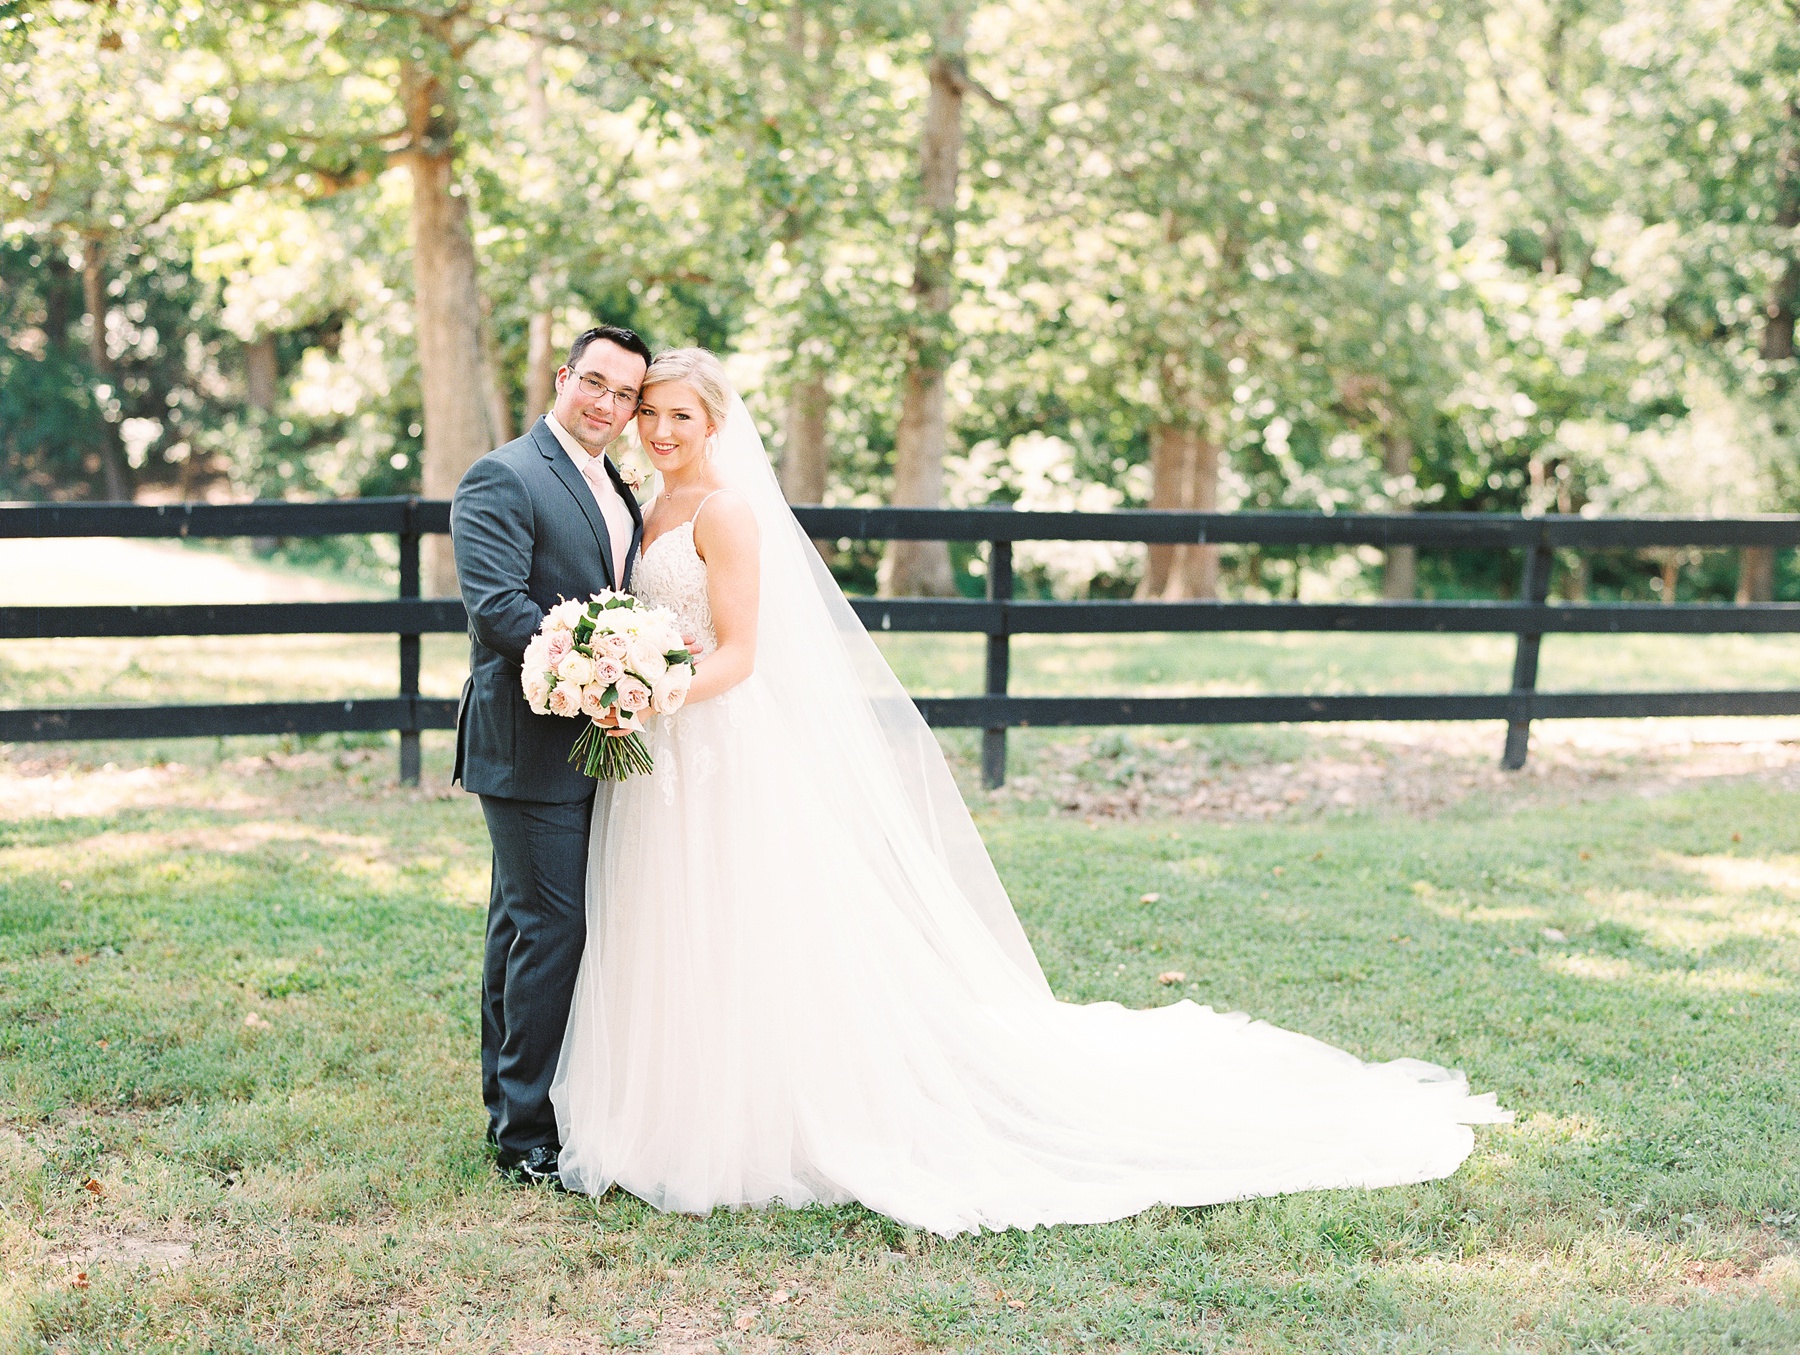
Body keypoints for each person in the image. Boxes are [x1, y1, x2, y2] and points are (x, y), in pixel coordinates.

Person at [550, 348, 1510, 1235]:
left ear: (715, 422)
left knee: (740, 928)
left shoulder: (724, 511)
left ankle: (755, 1119)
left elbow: (744, 654)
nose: (660, 429)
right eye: (649, 412)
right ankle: (670, 1107)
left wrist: (657, 688)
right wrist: (621, 677)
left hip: (713, 743)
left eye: (679, 413)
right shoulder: (645, 504)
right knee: (672, 922)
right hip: (654, 749)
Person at [451, 324, 651, 1186]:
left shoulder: (615, 481)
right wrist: (608, 663)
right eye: (595, 384)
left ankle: (520, 1102)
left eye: (626, 396)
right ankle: (525, 1134)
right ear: (563, 377)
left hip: (591, 734)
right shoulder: (504, 475)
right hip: (528, 740)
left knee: (523, 924)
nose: (608, 405)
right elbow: (498, 610)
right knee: (549, 925)